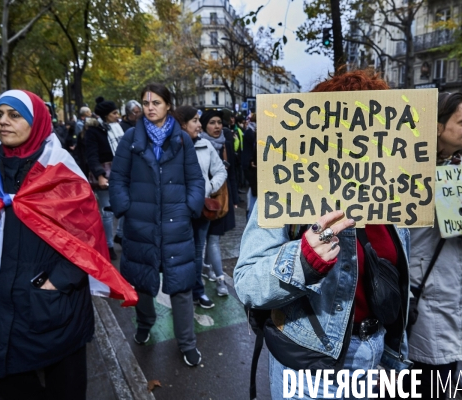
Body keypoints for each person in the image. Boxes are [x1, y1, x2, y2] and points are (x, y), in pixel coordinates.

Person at [234, 68, 412, 399]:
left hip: (374, 362)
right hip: (311, 372)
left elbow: (401, 283)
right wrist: (302, 261)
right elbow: (247, 282)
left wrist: (393, 357)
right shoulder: (287, 187)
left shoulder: (394, 193)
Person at [0, 90, 137, 400]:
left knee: (65, 388)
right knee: (8, 383)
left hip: (53, 305)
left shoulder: (59, 167)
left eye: (14, 116)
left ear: (36, 121)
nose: (3, 122)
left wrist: (57, 282)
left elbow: (87, 234)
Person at [109, 83, 205, 366]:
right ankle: (144, 324)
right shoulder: (130, 139)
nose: (150, 107)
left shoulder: (182, 139)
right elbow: (117, 179)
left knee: (181, 285)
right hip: (141, 225)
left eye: (157, 102)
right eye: (146, 102)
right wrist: (125, 207)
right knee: (142, 281)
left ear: (167, 106)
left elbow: (195, 179)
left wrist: (190, 207)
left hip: (177, 224)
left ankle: (187, 343)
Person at [406, 92, 462, 399]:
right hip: (426, 296)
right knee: (422, 384)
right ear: (438, 127)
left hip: (460, 293)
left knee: (445, 380)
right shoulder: (408, 174)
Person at [174, 106, 227, 308]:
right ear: (182, 124)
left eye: (198, 120)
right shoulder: (171, 146)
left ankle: (198, 291)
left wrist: (209, 188)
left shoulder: (205, 145)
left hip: (201, 209)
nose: (199, 125)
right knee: (180, 253)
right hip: (178, 210)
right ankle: (181, 292)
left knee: (197, 252)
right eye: (195, 120)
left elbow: (221, 171)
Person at [200, 110, 237, 297]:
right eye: (212, 123)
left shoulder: (226, 144)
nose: (217, 126)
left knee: (214, 238)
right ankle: (221, 280)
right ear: (204, 125)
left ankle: (207, 268)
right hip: (205, 199)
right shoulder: (198, 145)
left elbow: (233, 173)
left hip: (222, 198)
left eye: (219, 123)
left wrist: (235, 199)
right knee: (210, 239)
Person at [85, 96, 125, 260]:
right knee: (107, 212)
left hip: (121, 172)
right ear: (106, 115)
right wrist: (100, 175)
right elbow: (92, 156)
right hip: (105, 174)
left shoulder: (118, 129)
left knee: (124, 207)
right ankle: (108, 245)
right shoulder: (93, 132)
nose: (118, 116)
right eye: (114, 113)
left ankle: (120, 236)